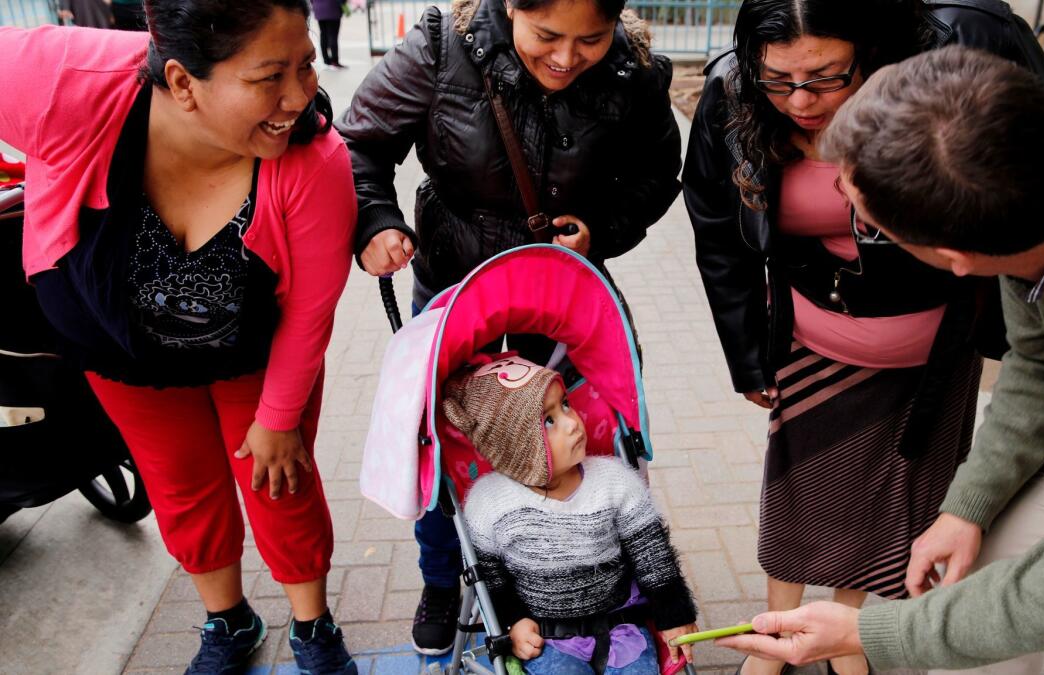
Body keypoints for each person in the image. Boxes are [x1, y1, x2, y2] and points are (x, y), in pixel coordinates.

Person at [716, 45, 1044, 675]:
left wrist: (880, 633)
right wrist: (967, 504)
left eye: (870, 226)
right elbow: (1042, 358)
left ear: (956, 261)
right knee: (977, 573)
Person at [681, 2, 1044, 673]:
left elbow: (1020, 198)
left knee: (889, 506)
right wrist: (746, 355)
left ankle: (848, 637)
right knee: (798, 500)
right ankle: (776, 640)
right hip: (810, 344)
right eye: (779, 79)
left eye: (823, 76)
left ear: (869, 47)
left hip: (931, 356)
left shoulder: (953, 56)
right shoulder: (734, 95)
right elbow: (717, 234)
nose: (799, 101)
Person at [0, 2, 359, 673]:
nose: (300, 95)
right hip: (120, 357)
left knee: (280, 484)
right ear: (183, 81)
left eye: (305, 64)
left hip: (250, 356)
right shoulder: (65, 79)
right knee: (180, 488)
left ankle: (314, 628)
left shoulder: (315, 160)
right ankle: (229, 620)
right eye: (269, 76)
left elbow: (312, 311)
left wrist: (280, 418)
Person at [335, 0, 681, 654]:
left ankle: (568, 574)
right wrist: (375, 220)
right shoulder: (442, 47)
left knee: (583, 438)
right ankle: (442, 579)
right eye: (547, 35)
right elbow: (358, 142)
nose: (566, 58)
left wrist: (600, 229)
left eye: (591, 39)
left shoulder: (632, 72)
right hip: (458, 298)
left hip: (566, 302)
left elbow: (658, 172)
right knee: (443, 446)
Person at [445, 354, 699, 673]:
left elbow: (653, 558)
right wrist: (513, 621)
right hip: (545, 636)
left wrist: (675, 616)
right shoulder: (489, 504)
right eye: (549, 420)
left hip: (622, 626)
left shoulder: (614, 480)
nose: (572, 422)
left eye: (565, 404)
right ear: (514, 446)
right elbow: (492, 581)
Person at [312, 0, 346, 69]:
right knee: (333, 35)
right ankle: (334, 60)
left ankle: (326, 60)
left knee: (323, 34)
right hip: (333, 9)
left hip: (319, 9)